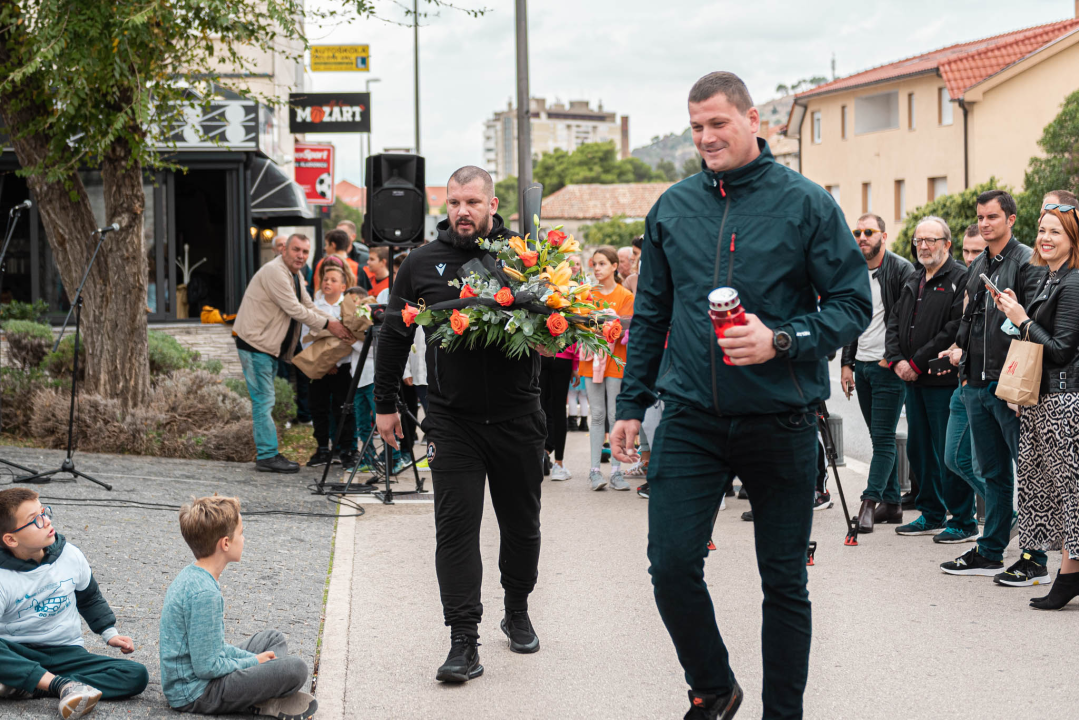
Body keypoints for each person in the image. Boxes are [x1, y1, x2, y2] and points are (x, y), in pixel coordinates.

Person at [610, 71, 870, 720]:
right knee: (670, 565)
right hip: (692, 419)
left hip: (780, 422)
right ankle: (712, 686)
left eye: (717, 123)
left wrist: (781, 339)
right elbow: (650, 316)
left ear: (754, 120)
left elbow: (850, 306)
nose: (705, 137)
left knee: (783, 582)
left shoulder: (805, 204)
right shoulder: (672, 207)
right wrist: (629, 405)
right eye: (695, 126)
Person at [374, 166, 545, 683]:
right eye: (453, 202)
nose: (462, 211)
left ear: (493, 205)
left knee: (522, 527)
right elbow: (395, 334)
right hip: (452, 419)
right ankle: (462, 642)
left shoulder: (526, 258)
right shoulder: (422, 262)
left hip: (518, 417)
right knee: (454, 531)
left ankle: (516, 607)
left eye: (472, 201)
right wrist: (385, 403)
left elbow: (564, 322)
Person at [940, 189, 1050, 585]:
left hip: (1010, 388)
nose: (985, 224)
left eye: (992, 217)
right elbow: (969, 318)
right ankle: (990, 551)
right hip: (976, 384)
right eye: (981, 218)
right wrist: (963, 362)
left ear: (1011, 219)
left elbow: (1032, 324)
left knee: (1032, 474)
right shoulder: (980, 262)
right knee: (995, 473)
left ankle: (1035, 556)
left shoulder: (1026, 261)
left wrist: (1024, 388)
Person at [160, 496, 316, 719]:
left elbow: (214, 648)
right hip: (196, 693)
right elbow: (207, 667)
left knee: (274, 639)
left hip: (202, 674)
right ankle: (262, 700)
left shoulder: (193, 574)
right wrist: (254, 662)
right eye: (241, 533)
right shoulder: (205, 594)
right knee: (296, 669)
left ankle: (261, 691)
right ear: (225, 543)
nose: (244, 539)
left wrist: (257, 661)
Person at [994, 202, 1079, 608]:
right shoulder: (1049, 277)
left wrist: (1023, 318)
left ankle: (1069, 575)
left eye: (1055, 233)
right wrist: (1015, 314)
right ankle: (1068, 572)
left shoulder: (1075, 280)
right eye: (1042, 230)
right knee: (1050, 490)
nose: (1044, 238)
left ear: (1072, 239)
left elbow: (1061, 350)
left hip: (1065, 402)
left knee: (1070, 493)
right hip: (1042, 400)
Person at [0, 488, 148, 719]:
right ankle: (55, 684)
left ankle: (36, 686)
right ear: (11, 539)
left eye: (44, 512)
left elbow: (89, 597)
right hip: (17, 654)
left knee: (135, 674)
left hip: (66, 653)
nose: (46, 520)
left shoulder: (70, 555)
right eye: (35, 520)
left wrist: (109, 632)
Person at [233, 234, 354, 473]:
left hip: (267, 347)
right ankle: (267, 455)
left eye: (305, 252)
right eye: (296, 250)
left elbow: (310, 306)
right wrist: (331, 326)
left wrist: (341, 323)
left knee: (266, 400)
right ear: (284, 251)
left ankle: (268, 452)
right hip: (255, 345)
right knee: (263, 401)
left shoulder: (295, 275)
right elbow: (295, 309)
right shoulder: (275, 272)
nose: (300, 256)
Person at [884, 216, 967, 540]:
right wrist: (896, 360)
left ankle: (962, 520)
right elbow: (894, 322)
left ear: (947, 243)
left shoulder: (959, 277)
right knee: (919, 450)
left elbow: (953, 328)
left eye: (931, 240)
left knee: (949, 454)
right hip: (911, 380)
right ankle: (931, 513)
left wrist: (916, 362)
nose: (923, 246)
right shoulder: (914, 278)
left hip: (940, 380)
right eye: (919, 240)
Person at [839, 213, 915, 533]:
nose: (862, 237)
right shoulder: (854, 271)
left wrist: (894, 357)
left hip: (887, 368)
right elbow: (850, 320)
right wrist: (847, 362)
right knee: (877, 437)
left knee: (883, 439)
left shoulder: (900, 270)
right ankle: (893, 504)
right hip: (864, 367)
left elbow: (910, 319)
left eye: (869, 232)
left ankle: (869, 503)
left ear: (884, 236)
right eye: (858, 232)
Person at [581, 246, 634, 491]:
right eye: (595, 264)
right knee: (598, 415)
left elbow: (625, 331)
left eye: (602, 264)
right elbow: (580, 326)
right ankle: (594, 471)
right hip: (591, 359)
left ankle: (616, 471)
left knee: (615, 416)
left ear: (615, 266)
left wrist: (608, 323)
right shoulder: (587, 294)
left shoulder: (625, 296)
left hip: (615, 360)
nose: (598, 269)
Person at [302, 258, 361, 469]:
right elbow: (304, 338)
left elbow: (350, 335)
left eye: (333, 280)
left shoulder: (347, 308)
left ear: (343, 286)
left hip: (343, 367)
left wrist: (335, 360)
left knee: (344, 408)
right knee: (318, 407)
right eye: (325, 279)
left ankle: (346, 449)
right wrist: (324, 363)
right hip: (318, 368)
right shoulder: (313, 307)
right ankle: (322, 448)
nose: (327, 283)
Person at [314, 229, 363, 293]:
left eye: (326, 244)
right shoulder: (357, 267)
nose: (325, 248)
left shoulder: (322, 263)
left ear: (333, 245)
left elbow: (315, 288)